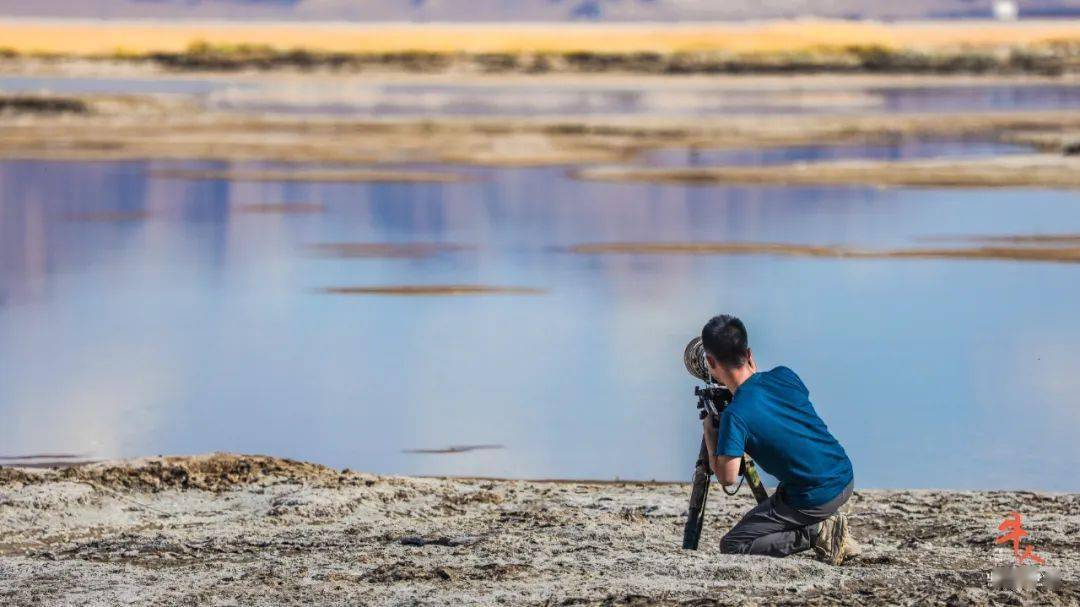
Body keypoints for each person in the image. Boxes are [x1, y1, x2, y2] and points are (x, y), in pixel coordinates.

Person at [699, 314, 859, 564]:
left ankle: (817, 532)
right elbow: (783, 419)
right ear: (749, 354)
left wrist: (711, 434)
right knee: (786, 491)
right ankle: (820, 521)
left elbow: (728, 478)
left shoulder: (736, 415)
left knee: (733, 544)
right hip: (844, 478)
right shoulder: (785, 375)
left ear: (710, 361)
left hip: (816, 498)